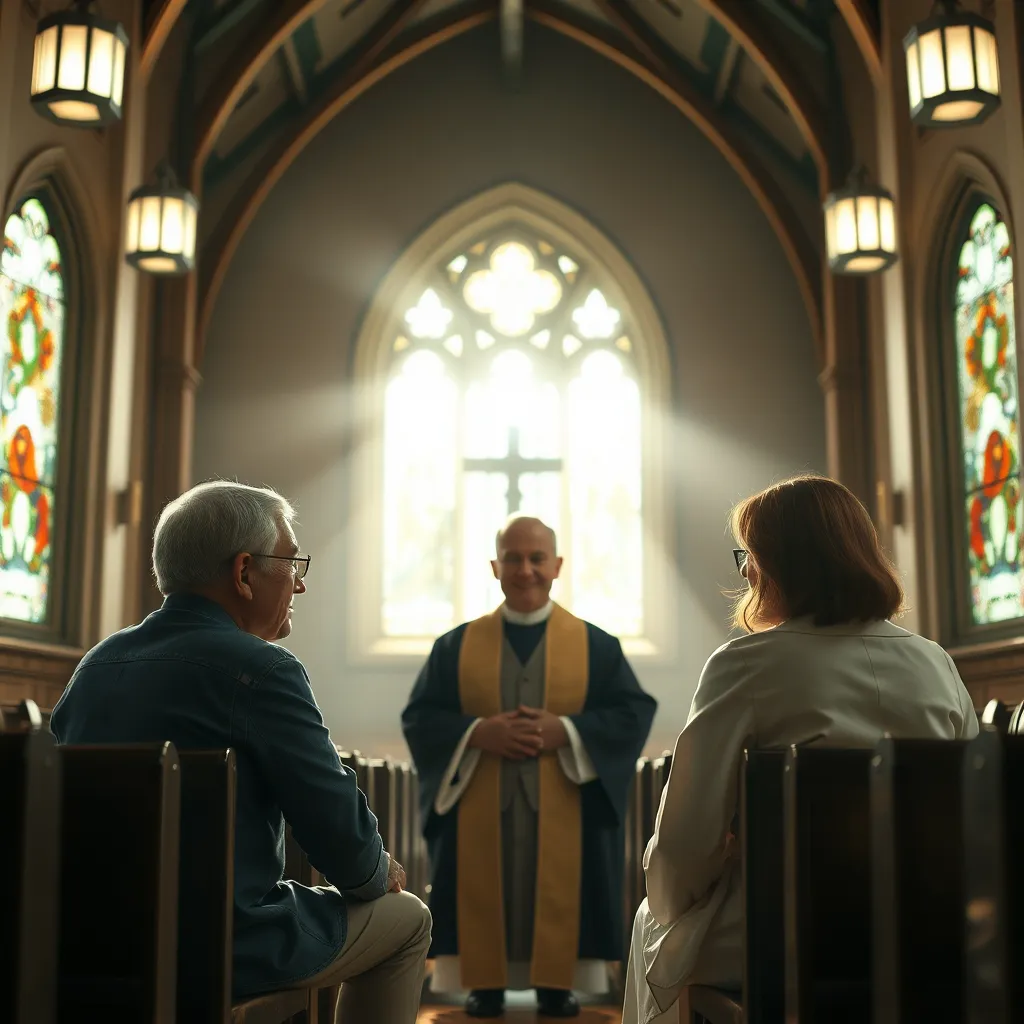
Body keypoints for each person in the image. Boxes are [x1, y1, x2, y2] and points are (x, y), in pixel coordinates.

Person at [50, 481, 431, 1024]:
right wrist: (376, 872)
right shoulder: (265, 671)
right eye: (292, 563)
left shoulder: (96, 665)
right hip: (225, 944)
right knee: (408, 918)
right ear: (245, 572)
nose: (299, 584)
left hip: (90, 940)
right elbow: (342, 842)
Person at [623, 475, 979, 1024]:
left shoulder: (745, 665)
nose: (744, 571)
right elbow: (973, 808)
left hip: (784, 928)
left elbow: (683, 843)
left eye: (749, 555)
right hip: (927, 929)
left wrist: (676, 901)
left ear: (778, 562)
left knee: (654, 921)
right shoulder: (936, 662)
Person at [402, 515, 656, 1019]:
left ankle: (560, 985)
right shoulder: (453, 646)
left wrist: (569, 731)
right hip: (481, 800)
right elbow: (421, 718)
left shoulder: (597, 646)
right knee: (486, 885)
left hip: (567, 800)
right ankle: (484, 985)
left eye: (536, 558)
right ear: (495, 566)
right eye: (513, 558)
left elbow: (633, 712)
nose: (525, 570)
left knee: (561, 885)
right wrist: (478, 732)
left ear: (557, 565)